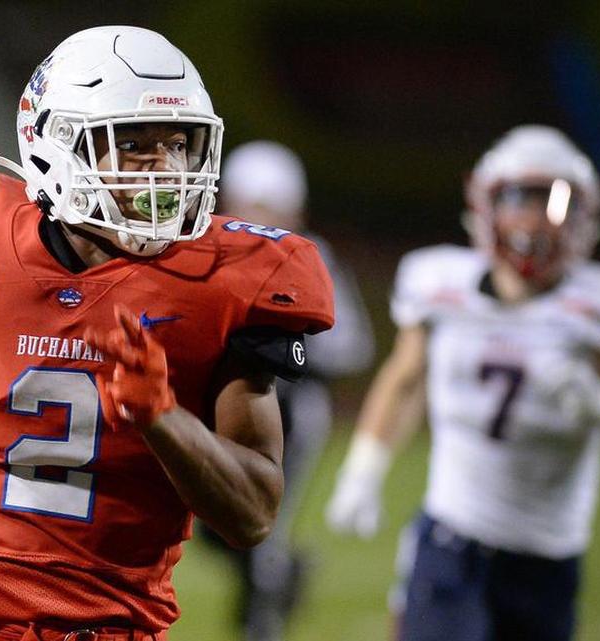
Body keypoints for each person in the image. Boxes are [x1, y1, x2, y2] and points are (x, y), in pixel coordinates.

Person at [0, 26, 335, 641]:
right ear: (56, 146)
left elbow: (254, 515)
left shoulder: (225, 280)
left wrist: (163, 418)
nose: (166, 169)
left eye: (179, 144)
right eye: (134, 144)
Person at [324, 125, 600, 641]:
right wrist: (363, 470)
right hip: (452, 540)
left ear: (586, 213)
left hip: (548, 557)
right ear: (485, 204)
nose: (536, 219)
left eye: (556, 202)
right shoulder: (440, 285)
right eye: (520, 198)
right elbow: (405, 380)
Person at [198, 141, 375, 641]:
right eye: (251, 203)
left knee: (260, 521)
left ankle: (263, 619)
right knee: (212, 526)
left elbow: (351, 346)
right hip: (218, 405)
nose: (261, 217)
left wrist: (285, 358)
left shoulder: (308, 256)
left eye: (270, 205)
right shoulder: (209, 249)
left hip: (294, 412)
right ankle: (279, 576)